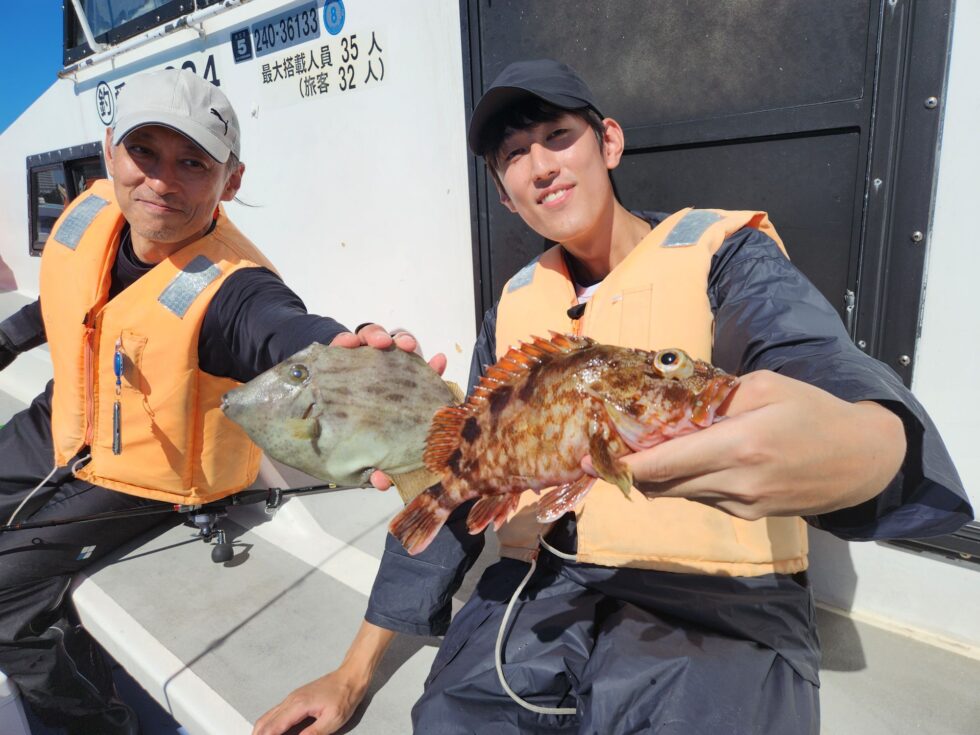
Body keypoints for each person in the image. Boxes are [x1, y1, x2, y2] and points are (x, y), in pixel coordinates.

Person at [253, 60, 973, 735]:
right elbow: (457, 473)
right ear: (504, 195)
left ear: (609, 143)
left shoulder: (726, 255)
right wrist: (352, 673)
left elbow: (814, 361)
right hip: (546, 586)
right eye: (513, 157)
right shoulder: (513, 309)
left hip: (719, 604)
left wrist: (874, 445)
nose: (540, 165)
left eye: (558, 137)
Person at [0, 68, 435, 735]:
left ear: (230, 181)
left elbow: (282, 330)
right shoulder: (92, 214)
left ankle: (94, 721)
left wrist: (341, 351)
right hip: (67, 417)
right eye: (144, 152)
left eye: (193, 162)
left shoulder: (234, 289)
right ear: (110, 148)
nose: (162, 180)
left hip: (147, 472)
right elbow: (61, 299)